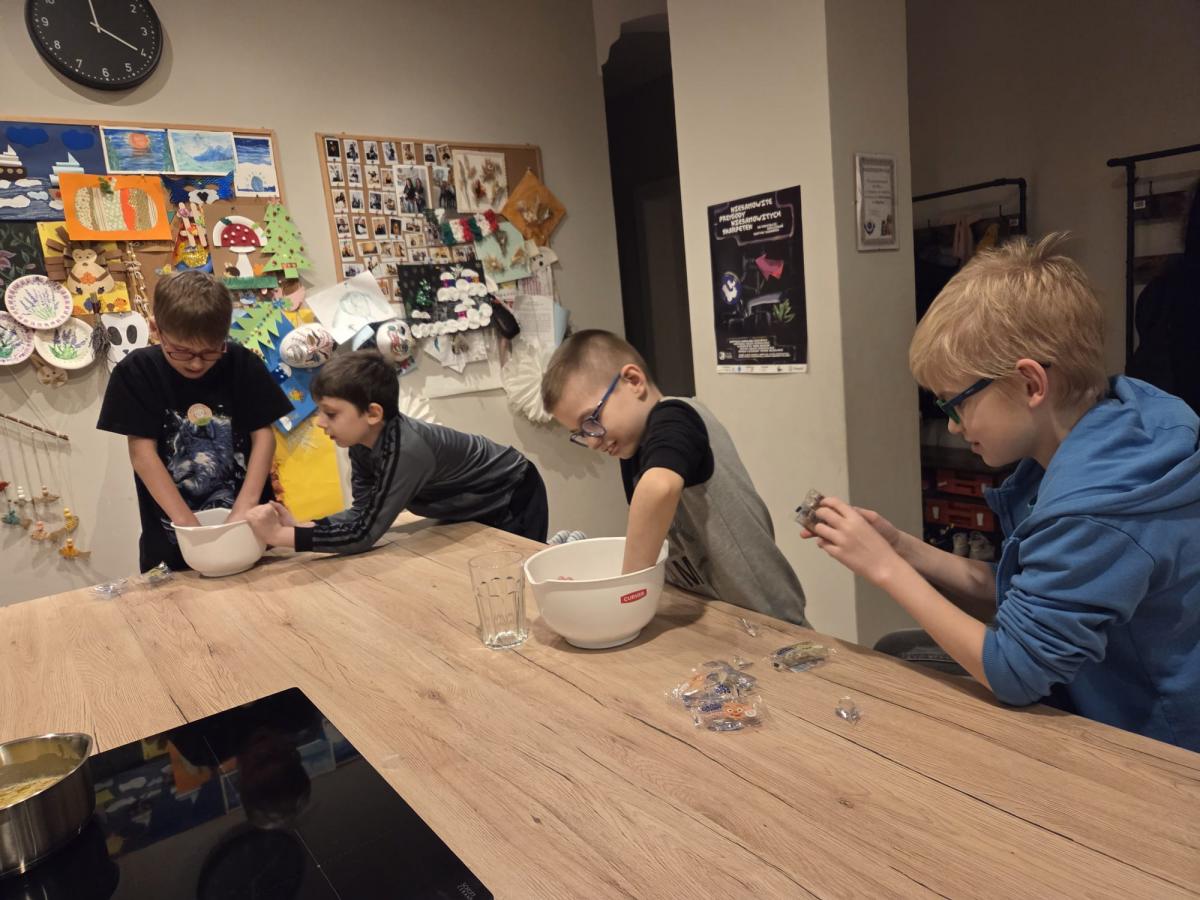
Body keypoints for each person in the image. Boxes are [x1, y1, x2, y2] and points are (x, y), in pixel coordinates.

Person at [809, 234, 1200, 750]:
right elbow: (1025, 592)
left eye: (957, 403)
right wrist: (901, 548)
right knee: (898, 649)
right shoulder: (1114, 428)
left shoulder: (1096, 508)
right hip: (1099, 685)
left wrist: (884, 569)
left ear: (1031, 384)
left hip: (1152, 743)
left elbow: (1015, 671)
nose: (953, 426)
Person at [541, 330, 808, 626]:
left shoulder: (677, 416)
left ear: (634, 381)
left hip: (768, 616)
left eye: (592, 420)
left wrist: (625, 593)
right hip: (716, 619)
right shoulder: (632, 452)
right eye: (580, 434)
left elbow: (659, 489)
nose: (592, 442)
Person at [245, 351, 547, 554]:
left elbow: (364, 534)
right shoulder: (361, 443)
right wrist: (300, 526)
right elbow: (362, 513)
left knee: (516, 575)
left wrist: (280, 537)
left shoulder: (407, 449)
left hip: (512, 491)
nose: (320, 422)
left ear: (372, 414)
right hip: (469, 501)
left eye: (331, 414)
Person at [97, 271, 292, 572]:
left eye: (211, 351)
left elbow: (263, 436)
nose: (197, 362)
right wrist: (188, 526)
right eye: (182, 351)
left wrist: (245, 507)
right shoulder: (136, 372)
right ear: (156, 330)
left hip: (253, 532)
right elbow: (143, 455)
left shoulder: (242, 364)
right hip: (172, 543)